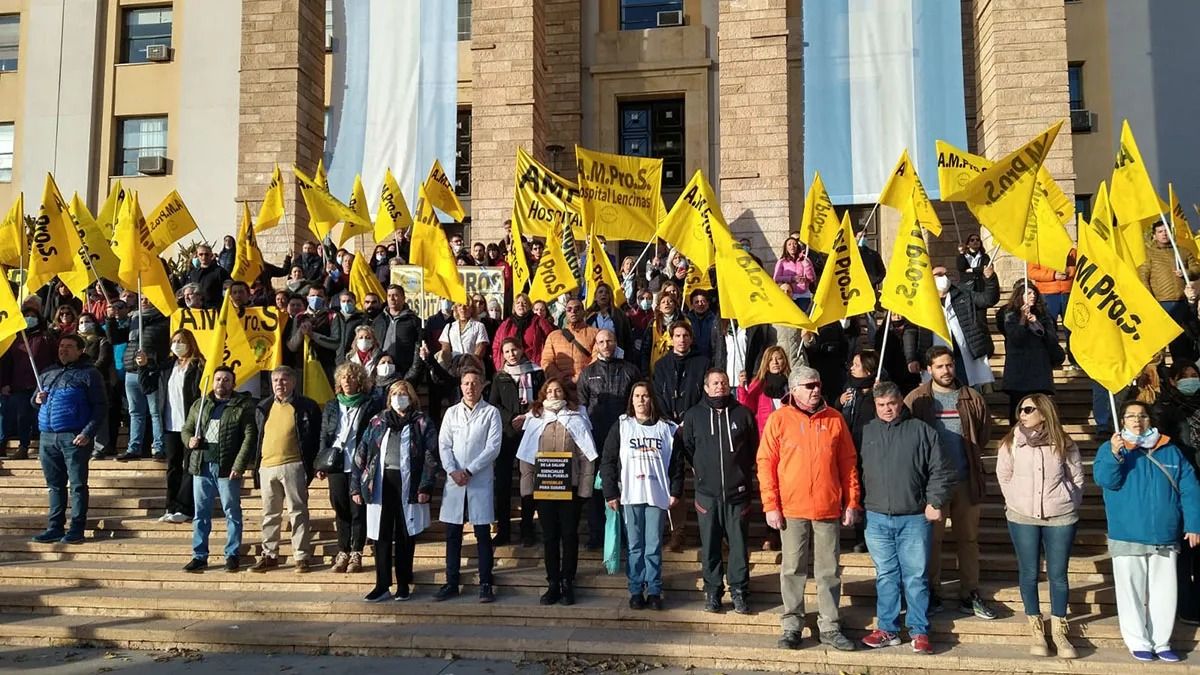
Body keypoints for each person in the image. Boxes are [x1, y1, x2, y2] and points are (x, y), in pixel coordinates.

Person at [757, 365, 860, 651]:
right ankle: (792, 625)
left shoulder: (835, 419)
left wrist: (851, 501)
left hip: (827, 507)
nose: (816, 390)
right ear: (794, 390)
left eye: (818, 385)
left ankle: (829, 626)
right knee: (792, 569)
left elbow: (848, 464)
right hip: (792, 508)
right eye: (809, 386)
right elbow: (766, 465)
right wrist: (771, 505)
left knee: (828, 571)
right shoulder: (779, 420)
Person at [1095, 400, 1200, 662]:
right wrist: (1114, 454)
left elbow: (1190, 489)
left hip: (1165, 534)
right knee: (1130, 590)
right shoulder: (1112, 449)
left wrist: (1193, 524)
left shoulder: (1170, 451)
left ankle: (1162, 641)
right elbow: (1106, 480)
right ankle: (1138, 640)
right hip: (1127, 533)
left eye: (1142, 415)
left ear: (1149, 420)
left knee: (1164, 591)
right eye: (1130, 416)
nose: (1137, 420)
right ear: (1122, 420)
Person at [859, 381, 956, 655]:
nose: (887, 409)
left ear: (901, 401)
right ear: (875, 406)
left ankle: (919, 630)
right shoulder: (866, 431)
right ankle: (888, 628)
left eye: (891, 403)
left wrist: (935, 501)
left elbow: (940, 469)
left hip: (914, 517)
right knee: (886, 575)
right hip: (877, 516)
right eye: (881, 405)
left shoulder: (921, 431)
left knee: (915, 576)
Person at [905, 346, 996, 619]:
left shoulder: (971, 397)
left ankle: (969, 593)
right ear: (929, 369)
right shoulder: (917, 399)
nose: (946, 371)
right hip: (932, 485)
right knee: (932, 541)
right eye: (940, 366)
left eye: (950, 365)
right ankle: (932, 591)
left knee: (968, 539)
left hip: (966, 479)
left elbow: (983, 433)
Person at [996, 394, 1082, 658]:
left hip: (1060, 515)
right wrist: (1015, 501)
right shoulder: (1011, 442)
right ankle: (1036, 627)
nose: (1022, 413)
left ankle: (1059, 628)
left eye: (1029, 409)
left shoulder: (1064, 442)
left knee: (1058, 574)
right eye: (1021, 409)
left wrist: (1070, 500)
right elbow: (1003, 474)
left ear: (1043, 413)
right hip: (1022, 516)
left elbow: (1076, 476)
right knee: (1029, 572)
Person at [600, 381, 684, 611]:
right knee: (635, 546)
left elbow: (677, 463)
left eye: (645, 396)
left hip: (657, 495)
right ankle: (636, 590)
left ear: (651, 399)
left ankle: (655, 590)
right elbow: (607, 461)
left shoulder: (666, 428)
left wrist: (676, 490)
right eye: (636, 396)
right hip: (630, 495)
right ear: (631, 400)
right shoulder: (622, 425)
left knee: (653, 545)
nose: (640, 400)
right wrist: (610, 493)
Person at [354, 380, 439, 602]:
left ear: (411, 397)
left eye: (403, 394)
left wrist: (425, 485)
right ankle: (382, 584)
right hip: (381, 483)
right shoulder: (377, 421)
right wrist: (356, 485)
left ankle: (403, 584)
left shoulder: (421, 422)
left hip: (408, 484)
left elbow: (431, 456)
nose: (399, 397)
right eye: (394, 394)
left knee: (404, 534)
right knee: (381, 535)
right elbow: (362, 453)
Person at [680, 370, 757, 615]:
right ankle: (713, 591)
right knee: (711, 545)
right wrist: (702, 471)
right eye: (714, 383)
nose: (719, 387)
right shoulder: (694, 416)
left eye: (723, 382)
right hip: (707, 494)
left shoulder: (743, 413)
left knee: (738, 545)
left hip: (738, 493)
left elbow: (753, 447)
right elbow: (688, 447)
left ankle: (739, 592)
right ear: (705, 387)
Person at [515, 378, 596, 605]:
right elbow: (526, 459)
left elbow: (587, 457)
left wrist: (584, 490)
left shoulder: (577, 418)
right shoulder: (535, 420)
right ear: (543, 395)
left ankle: (567, 581)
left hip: (569, 489)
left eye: (557, 389)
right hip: (544, 490)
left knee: (569, 535)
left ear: (564, 394)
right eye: (549, 390)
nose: (553, 393)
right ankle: (552, 582)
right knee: (550, 537)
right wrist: (527, 491)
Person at [28, 335, 107, 545]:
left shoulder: (90, 374)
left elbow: (100, 406)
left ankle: (77, 528)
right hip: (47, 437)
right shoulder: (46, 373)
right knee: (54, 485)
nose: (63, 350)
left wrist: (87, 432)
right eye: (61, 346)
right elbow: (35, 401)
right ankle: (54, 527)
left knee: (78, 485)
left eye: (69, 347)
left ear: (80, 350)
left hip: (74, 437)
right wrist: (36, 399)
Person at [435, 367, 503, 603]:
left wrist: (470, 470)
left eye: (475, 383)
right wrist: (452, 470)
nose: (470, 387)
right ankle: (451, 582)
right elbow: (443, 444)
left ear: (483, 385)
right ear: (460, 386)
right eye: (466, 383)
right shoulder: (451, 413)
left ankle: (486, 583)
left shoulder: (491, 413)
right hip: (455, 481)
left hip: (479, 479)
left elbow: (493, 447)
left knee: (482, 534)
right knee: (453, 534)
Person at [181, 366, 257, 573]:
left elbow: (249, 437)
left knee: (232, 512)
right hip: (201, 465)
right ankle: (199, 556)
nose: (221, 383)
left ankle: (232, 554)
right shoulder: (200, 404)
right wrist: (190, 441)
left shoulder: (242, 406)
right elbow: (186, 428)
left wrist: (239, 465)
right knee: (201, 514)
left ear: (233, 383)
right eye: (217, 379)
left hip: (227, 467)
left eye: (226, 380)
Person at [250, 367, 321, 573]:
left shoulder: (306, 406)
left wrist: (312, 464)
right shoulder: (263, 407)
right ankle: (270, 555)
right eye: (275, 380)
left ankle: (301, 556)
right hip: (267, 466)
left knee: (297, 512)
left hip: (293, 465)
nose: (280, 384)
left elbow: (314, 437)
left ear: (293, 382)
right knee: (270, 514)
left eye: (284, 379)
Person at [576, 329, 640, 550]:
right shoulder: (587, 373)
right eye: (601, 341)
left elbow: (638, 404)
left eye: (609, 340)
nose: (606, 344)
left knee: (624, 485)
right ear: (596, 345)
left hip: (624, 437)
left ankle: (624, 533)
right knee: (597, 487)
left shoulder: (630, 370)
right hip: (596, 437)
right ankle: (596, 534)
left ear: (616, 342)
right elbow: (581, 408)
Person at [317, 362, 382, 574]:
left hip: (359, 464)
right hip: (336, 463)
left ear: (359, 381)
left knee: (358, 509)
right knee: (340, 507)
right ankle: (342, 550)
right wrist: (320, 462)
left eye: (351, 377)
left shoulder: (369, 404)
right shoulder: (332, 405)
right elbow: (325, 435)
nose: (347, 381)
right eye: (343, 377)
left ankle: (356, 551)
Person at [652, 320, 708, 552]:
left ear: (691, 338)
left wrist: (690, 419)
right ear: (671, 338)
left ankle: (712, 530)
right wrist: (667, 420)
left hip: (694, 428)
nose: (681, 339)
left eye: (685, 335)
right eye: (677, 335)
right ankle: (678, 532)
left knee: (704, 479)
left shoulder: (702, 363)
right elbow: (657, 394)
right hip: (668, 429)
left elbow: (705, 393)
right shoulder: (662, 365)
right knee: (673, 482)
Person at [488, 337, 546, 547]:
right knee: (503, 483)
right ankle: (503, 529)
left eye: (514, 350)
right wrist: (511, 419)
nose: (511, 354)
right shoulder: (499, 377)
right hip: (507, 434)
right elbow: (494, 404)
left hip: (530, 431)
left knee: (528, 481)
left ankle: (527, 529)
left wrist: (527, 417)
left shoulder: (537, 373)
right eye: (507, 351)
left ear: (522, 350)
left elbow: (543, 399)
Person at [1154, 361, 1200, 625]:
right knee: (1184, 553)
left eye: (1195, 376)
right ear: (1172, 380)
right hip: (1181, 483)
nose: (1192, 380)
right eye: (1185, 377)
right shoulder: (1164, 410)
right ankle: (1187, 605)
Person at [997, 281, 1064, 422]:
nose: (1032, 295)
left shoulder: (1045, 316)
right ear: (1019, 296)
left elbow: (1052, 340)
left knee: (1040, 411)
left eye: (1034, 293)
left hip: (1039, 370)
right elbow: (1015, 338)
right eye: (1028, 293)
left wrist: (1038, 325)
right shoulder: (1009, 314)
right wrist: (1023, 319)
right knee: (1017, 410)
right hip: (1019, 372)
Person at [835, 350, 879, 553]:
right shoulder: (849, 388)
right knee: (855, 494)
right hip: (849, 448)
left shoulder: (879, 389)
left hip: (872, 451)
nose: (852, 368)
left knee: (869, 495)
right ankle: (858, 535)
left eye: (856, 364)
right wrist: (840, 402)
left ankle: (869, 536)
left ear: (868, 370)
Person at [158, 330, 203, 523]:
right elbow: (147, 385)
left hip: (189, 424)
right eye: (174, 341)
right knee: (172, 466)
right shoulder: (168, 366)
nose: (177, 345)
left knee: (188, 466)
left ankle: (185, 507)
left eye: (181, 341)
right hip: (170, 423)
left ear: (190, 343)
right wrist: (142, 367)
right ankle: (171, 505)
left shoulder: (198, 366)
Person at [930, 263, 999, 389]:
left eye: (946, 274)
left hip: (964, 355)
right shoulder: (925, 301)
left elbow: (988, 299)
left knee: (968, 391)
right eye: (939, 275)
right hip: (939, 358)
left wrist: (990, 280)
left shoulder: (963, 294)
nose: (944, 278)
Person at [0, 308, 56, 460]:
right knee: (22, 417)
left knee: (42, 417)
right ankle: (23, 446)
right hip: (19, 384)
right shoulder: (14, 339)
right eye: (27, 316)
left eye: (33, 316)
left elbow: (54, 359)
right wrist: (5, 383)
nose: (30, 318)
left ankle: (46, 448)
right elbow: (6, 363)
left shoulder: (46, 338)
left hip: (41, 384)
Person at [1140, 221, 1200, 361]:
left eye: (1166, 231)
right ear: (1154, 235)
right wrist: (1150, 301)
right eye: (1160, 232)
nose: (1164, 234)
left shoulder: (1182, 252)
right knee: (1158, 344)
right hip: (1161, 304)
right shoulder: (1148, 254)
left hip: (1182, 303)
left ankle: (1183, 373)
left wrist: (1186, 272)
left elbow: (1197, 269)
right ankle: (1157, 377)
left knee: (1183, 343)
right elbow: (1143, 277)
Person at [120, 296, 170, 461]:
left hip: (150, 372)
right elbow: (115, 337)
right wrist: (111, 319)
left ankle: (159, 447)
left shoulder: (164, 321)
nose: (144, 301)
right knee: (135, 413)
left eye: (149, 298)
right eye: (141, 298)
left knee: (156, 412)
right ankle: (134, 448)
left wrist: (152, 361)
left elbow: (165, 348)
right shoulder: (134, 319)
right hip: (131, 371)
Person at [1028, 250, 1077, 370]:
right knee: (1049, 328)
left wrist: (1068, 272)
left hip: (1068, 292)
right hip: (1047, 293)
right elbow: (1032, 272)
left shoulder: (1070, 249)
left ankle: (1075, 360)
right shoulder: (1037, 250)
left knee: (1072, 328)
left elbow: (1079, 266)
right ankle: (1051, 359)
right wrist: (1053, 275)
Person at [540, 297, 599, 382]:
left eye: (577, 308)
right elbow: (546, 361)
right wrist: (559, 376)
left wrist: (580, 377)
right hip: (561, 386)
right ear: (566, 313)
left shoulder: (595, 333)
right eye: (569, 309)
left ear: (583, 311)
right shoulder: (553, 336)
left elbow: (597, 359)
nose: (573, 311)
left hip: (586, 384)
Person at [372, 285, 423, 383]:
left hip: (404, 374)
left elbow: (419, 348)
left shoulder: (413, 321)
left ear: (403, 298)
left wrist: (412, 374)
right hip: (380, 373)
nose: (391, 298)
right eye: (389, 295)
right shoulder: (379, 320)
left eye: (395, 295)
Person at [492, 293, 554, 371]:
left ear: (529, 306)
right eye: (518, 303)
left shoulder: (539, 321)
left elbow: (552, 340)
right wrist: (499, 365)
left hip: (535, 367)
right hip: (510, 369)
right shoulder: (506, 324)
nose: (521, 305)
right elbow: (496, 346)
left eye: (524, 303)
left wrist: (546, 363)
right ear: (514, 307)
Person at [737, 345, 790, 434]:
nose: (775, 362)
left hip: (787, 429)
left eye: (779, 358)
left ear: (784, 361)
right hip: (766, 431)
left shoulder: (791, 383)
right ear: (766, 363)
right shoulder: (759, 384)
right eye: (770, 360)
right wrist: (742, 388)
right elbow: (747, 407)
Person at [586, 283, 633, 356]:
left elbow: (627, 338)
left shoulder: (619, 315)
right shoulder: (589, 316)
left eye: (607, 292)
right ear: (595, 297)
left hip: (616, 356)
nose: (603, 294)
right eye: (600, 292)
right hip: (594, 356)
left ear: (610, 296)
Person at [772, 236, 815, 310]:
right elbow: (776, 278)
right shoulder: (782, 262)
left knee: (803, 316)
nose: (792, 246)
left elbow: (812, 278)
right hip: (788, 294)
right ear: (786, 248)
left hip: (803, 295)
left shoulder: (805, 259)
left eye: (795, 244)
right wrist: (792, 278)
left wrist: (806, 264)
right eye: (789, 244)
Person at [187, 244, 231, 308]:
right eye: (201, 254)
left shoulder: (220, 271)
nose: (204, 257)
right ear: (197, 255)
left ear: (211, 255)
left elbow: (229, 287)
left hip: (214, 310)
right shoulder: (193, 273)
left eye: (206, 254)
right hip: (196, 309)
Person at [684, 289, 716, 359]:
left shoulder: (715, 321)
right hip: (691, 360)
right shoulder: (686, 321)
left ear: (708, 303)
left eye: (703, 301)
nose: (700, 304)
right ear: (692, 305)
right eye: (696, 302)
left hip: (710, 360)